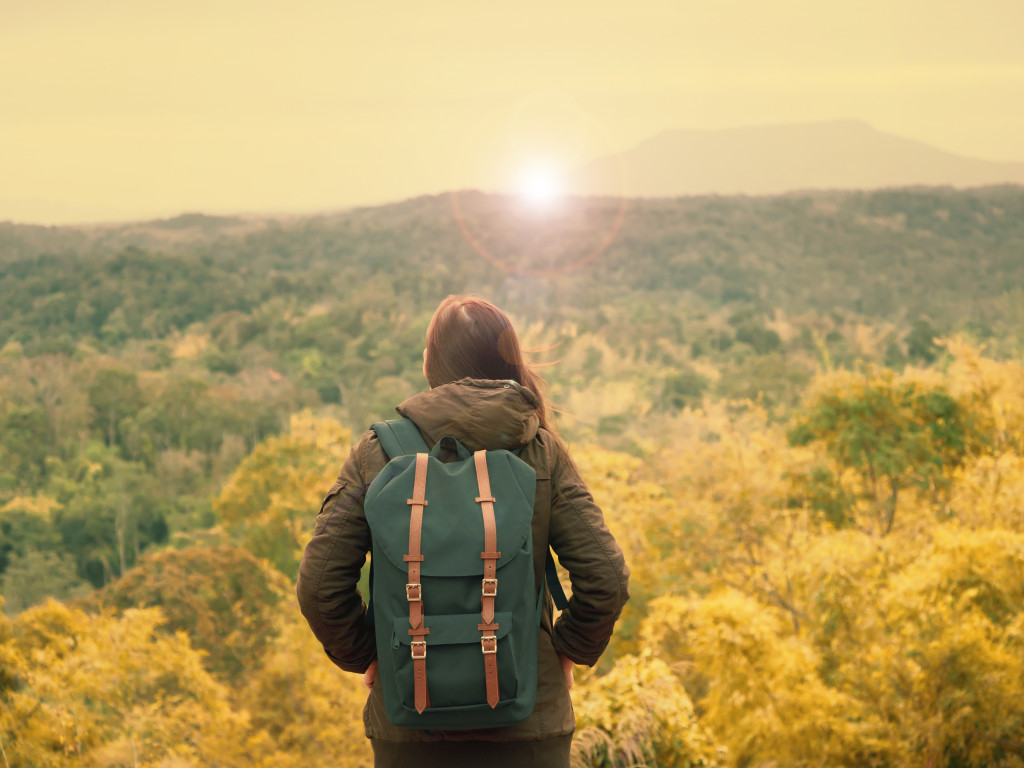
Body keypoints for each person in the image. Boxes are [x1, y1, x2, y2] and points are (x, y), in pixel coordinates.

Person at [296, 295, 630, 768]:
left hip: (409, 723)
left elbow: (319, 583)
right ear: (506, 361)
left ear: (432, 364)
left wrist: (374, 657)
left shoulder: (378, 453)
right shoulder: (540, 453)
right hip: (527, 725)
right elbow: (606, 579)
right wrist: (563, 653)